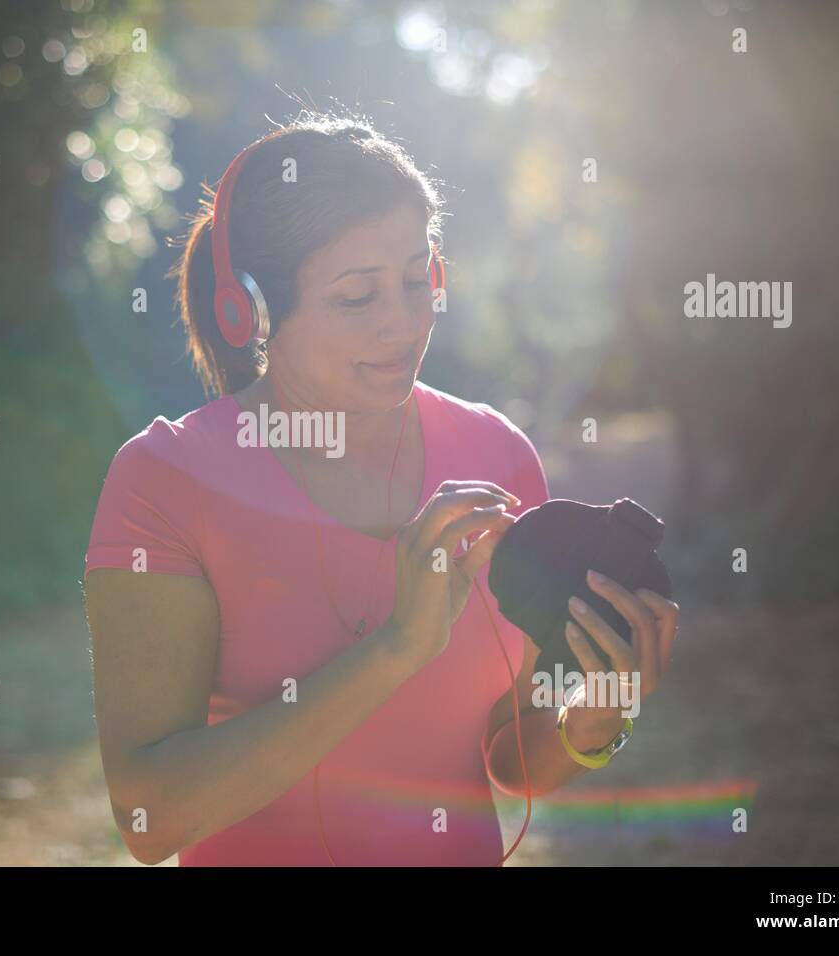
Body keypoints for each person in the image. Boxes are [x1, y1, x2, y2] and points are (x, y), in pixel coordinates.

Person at [82, 109, 680, 866]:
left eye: (415, 278)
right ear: (252, 311)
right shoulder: (164, 480)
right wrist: (397, 649)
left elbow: (507, 749)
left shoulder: (497, 455)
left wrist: (592, 725)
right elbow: (150, 820)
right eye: (357, 297)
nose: (403, 324)